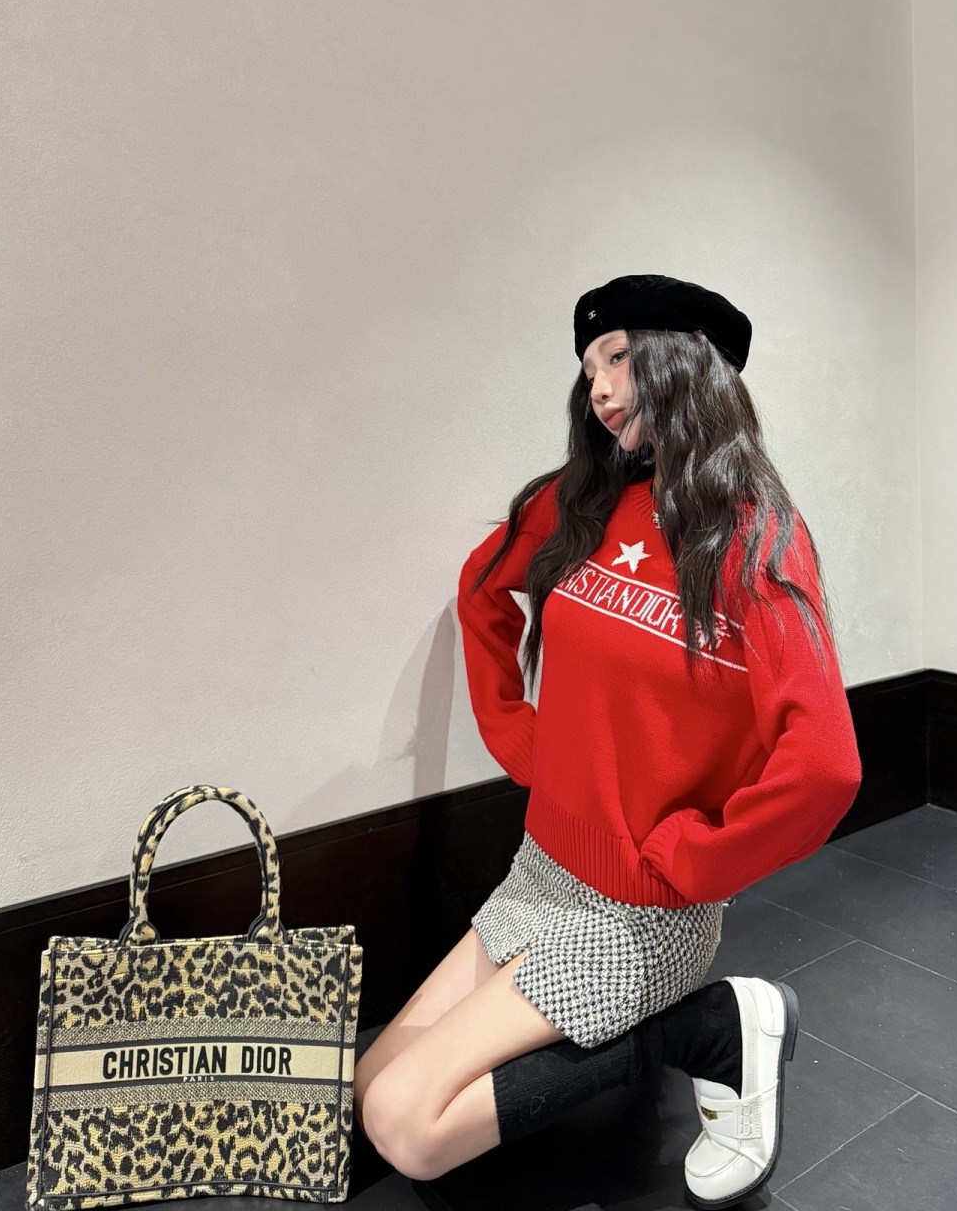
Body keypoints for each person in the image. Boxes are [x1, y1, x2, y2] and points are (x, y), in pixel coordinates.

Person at [353, 273, 863, 1206]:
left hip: (643, 909)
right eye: (589, 366)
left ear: (685, 364)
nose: (597, 385)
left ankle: (707, 1027)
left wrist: (698, 861)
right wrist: (524, 744)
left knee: (408, 1128)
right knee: (372, 1084)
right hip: (542, 870)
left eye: (619, 357)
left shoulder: (755, 538)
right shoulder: (584, 504)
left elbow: (826, 764)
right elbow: (481, 588)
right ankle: (666, 1029)